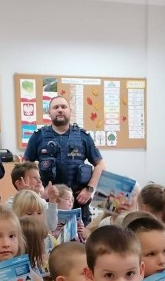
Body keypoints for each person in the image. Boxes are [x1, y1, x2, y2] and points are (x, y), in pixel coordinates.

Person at [23, 95, 105, 224]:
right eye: (55, 107)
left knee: (79, 236)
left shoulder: (83, 137)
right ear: (49, 112)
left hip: (77, 202)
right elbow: (26, 166)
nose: (60, 110)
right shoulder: (38, 137)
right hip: (46, 203)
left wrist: (89, 190)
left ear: (70, 111)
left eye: (63, 107)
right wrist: (38, 192)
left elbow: (100, 164)